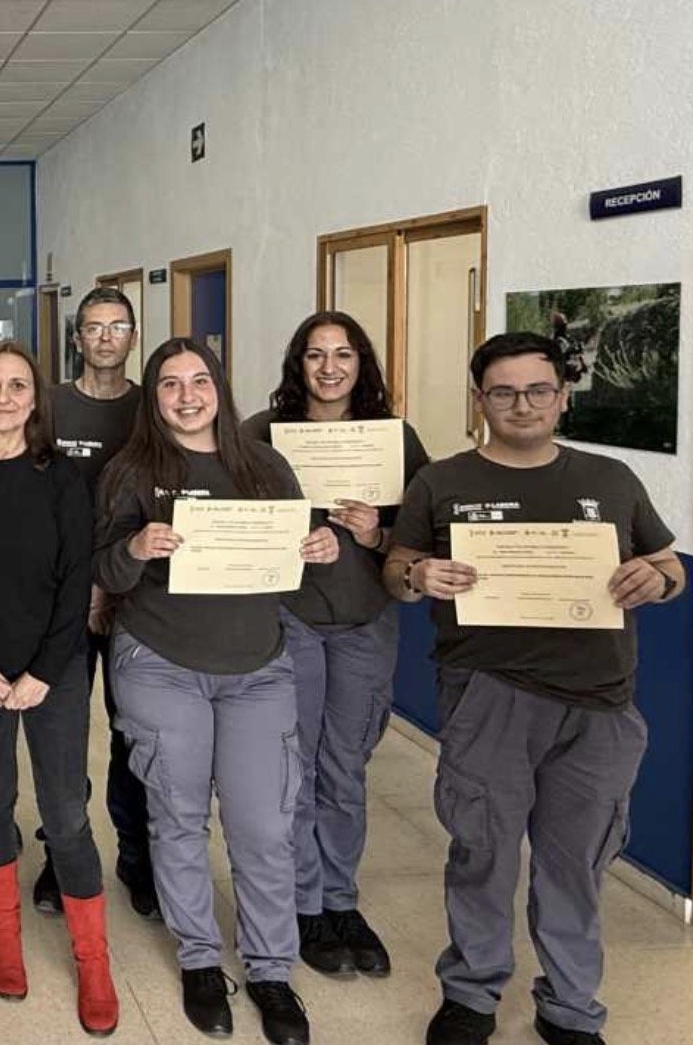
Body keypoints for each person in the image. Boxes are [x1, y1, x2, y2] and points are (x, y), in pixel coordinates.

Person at [384, 333, 682, 1045]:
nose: (523, 405)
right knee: (481, 850)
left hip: (599, 705)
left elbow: (667, 566)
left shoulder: (611, 480)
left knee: (575, 862)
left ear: (562, 396)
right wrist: (417, 577)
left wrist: (660, 580)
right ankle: (471, 994)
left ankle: (570, 1006)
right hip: (488, 694)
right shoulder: (442, 482)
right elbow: (396, 568)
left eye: (538, 390)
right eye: (504, 392)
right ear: (479, 400)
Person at [98, 337, 338, 1045]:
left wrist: (317, 545)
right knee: (176, 817)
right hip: (160, 660)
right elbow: (104, 573)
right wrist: (135, 549)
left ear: (220, 387)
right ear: (154, 396)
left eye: (199, 381)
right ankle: (201, 959)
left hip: (257, 668)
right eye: (169, 384)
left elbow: (297, 553)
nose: (186, 396)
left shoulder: (263, 463)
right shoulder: (131, 471)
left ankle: (271, 970)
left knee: (264, 827)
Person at [0, 340, 118, 1036]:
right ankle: (5, 935)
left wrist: (43, 669)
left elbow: (77, 584)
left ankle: (92, 959)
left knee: (66, 810)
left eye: (17, 387)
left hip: (57, 666)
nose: (4, 398)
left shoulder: (63, 480)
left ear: (36, 401)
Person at [242, 312, 430, 978]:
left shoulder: (395, 439)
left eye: (343, 354)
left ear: (362, 363)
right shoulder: (262, 436)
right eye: (316, 355)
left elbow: (422, 537)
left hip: (364, 622)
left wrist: (376, 534)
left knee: (346, 766)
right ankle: (302, 904)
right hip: (289, 619)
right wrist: (291, 538)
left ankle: (341, 899)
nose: (329, 367)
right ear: (298, 363)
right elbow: (236, 523)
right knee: (296, 768)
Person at [36, 285, 155, 922]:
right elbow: (32, 502)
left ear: (133, 336)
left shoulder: (153, 409)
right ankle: (63, 856)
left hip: (140, 602)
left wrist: (114, 585)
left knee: (134, 733)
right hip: (62, 602)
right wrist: (80, 588)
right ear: (77, 338)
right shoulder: (50, 407)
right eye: (93, 327)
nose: (105, 337)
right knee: (62, 734)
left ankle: (138, 859)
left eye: (118, 326)